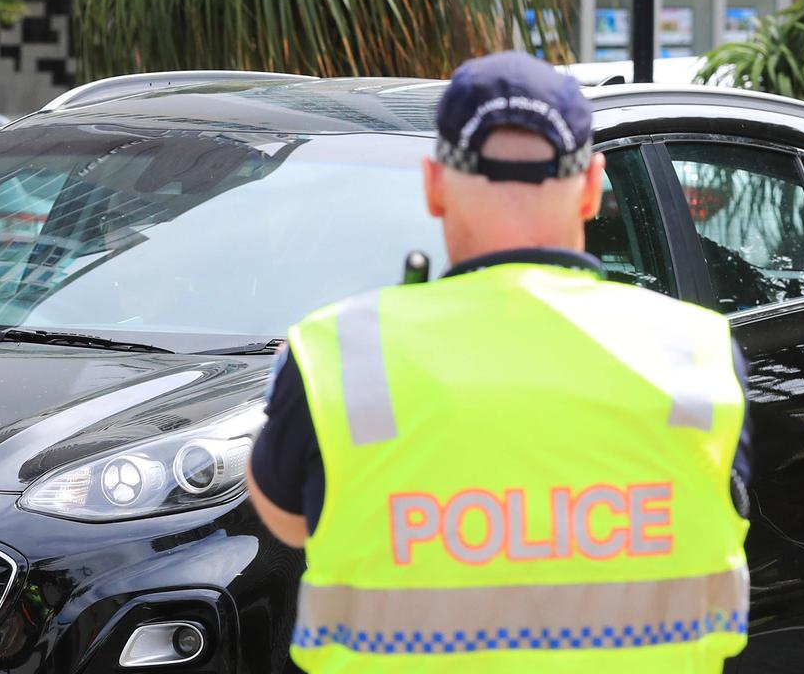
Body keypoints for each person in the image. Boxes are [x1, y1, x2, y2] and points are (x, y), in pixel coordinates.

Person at [248, 51, 752, 673]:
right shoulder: (699, 354)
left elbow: (286, 521)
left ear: (434, 186)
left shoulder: (340, 358)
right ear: (592, 186)